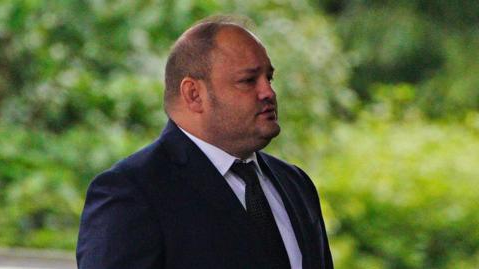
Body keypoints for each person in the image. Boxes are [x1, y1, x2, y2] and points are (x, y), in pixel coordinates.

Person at [76, 16, 333, 269]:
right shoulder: (132, 191)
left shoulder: (295, 184)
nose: (268, 92)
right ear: (194, 94)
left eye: (269, 78)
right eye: (248, 80)